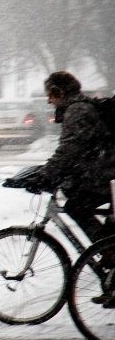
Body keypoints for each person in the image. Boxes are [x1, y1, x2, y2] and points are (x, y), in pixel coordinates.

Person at [35, 71, 115, 246]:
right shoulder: (81, 106)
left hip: (106, 176)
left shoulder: (77, 110)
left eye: (50, 95)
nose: (49, 100)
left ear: (59, 92)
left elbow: (70, 149)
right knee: (76, 196)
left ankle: (107, 250)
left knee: (76, 206)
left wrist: (46, 174)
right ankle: (107, 248)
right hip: (105, 174)